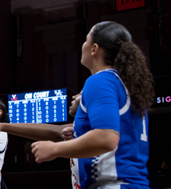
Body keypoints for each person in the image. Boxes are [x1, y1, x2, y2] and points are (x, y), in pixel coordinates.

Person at [31, 21, 154, 188]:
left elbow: (106, 138)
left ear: (94, 48)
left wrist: (55, 149)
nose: (83, 45)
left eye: (85, 40)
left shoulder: (100, 80)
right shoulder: (126, 85)